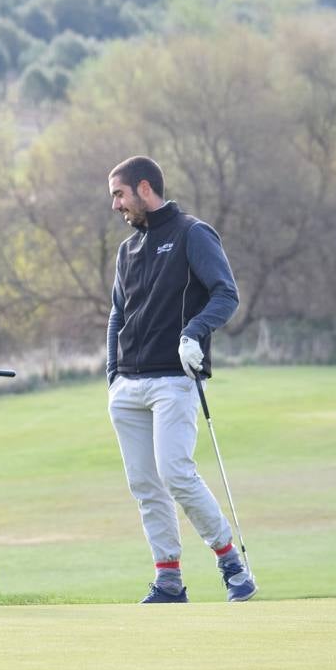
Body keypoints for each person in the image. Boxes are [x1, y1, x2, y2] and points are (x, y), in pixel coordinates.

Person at [105, 155, 256, 603]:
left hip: (174, 379)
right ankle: (168, 579)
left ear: (144, 188)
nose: (115, 205)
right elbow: (118, 312)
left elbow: (226, 294)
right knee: (145, 486)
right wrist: (112, 373)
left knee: (175, 473)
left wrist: (194, 331)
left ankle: (231, 562)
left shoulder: (193, 233)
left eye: (119, 194)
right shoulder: (127, 249)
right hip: (127, 386)